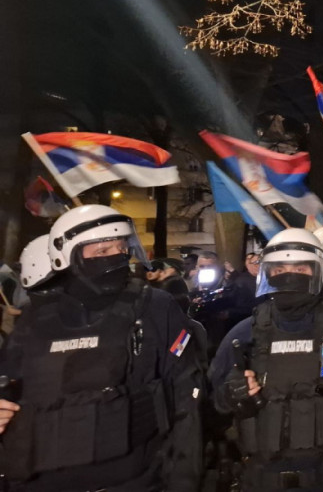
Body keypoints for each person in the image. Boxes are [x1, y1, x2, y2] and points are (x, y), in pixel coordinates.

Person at [0, 205, 204, 492]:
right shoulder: (34, 320)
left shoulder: (153, 307)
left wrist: (183, 480)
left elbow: (187, 397)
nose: (117, 257)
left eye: (121, 248)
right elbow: (8, 384)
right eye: (102, 250)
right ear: (67, 256)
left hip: (133, 481)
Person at [208, 228, 323, 492]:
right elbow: (210, 411)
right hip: (259, 478)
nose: (289, 276)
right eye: (280, 270)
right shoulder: (243, 334)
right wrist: (230, 395)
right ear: (268, 273)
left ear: (318, 272)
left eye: (300, 269)